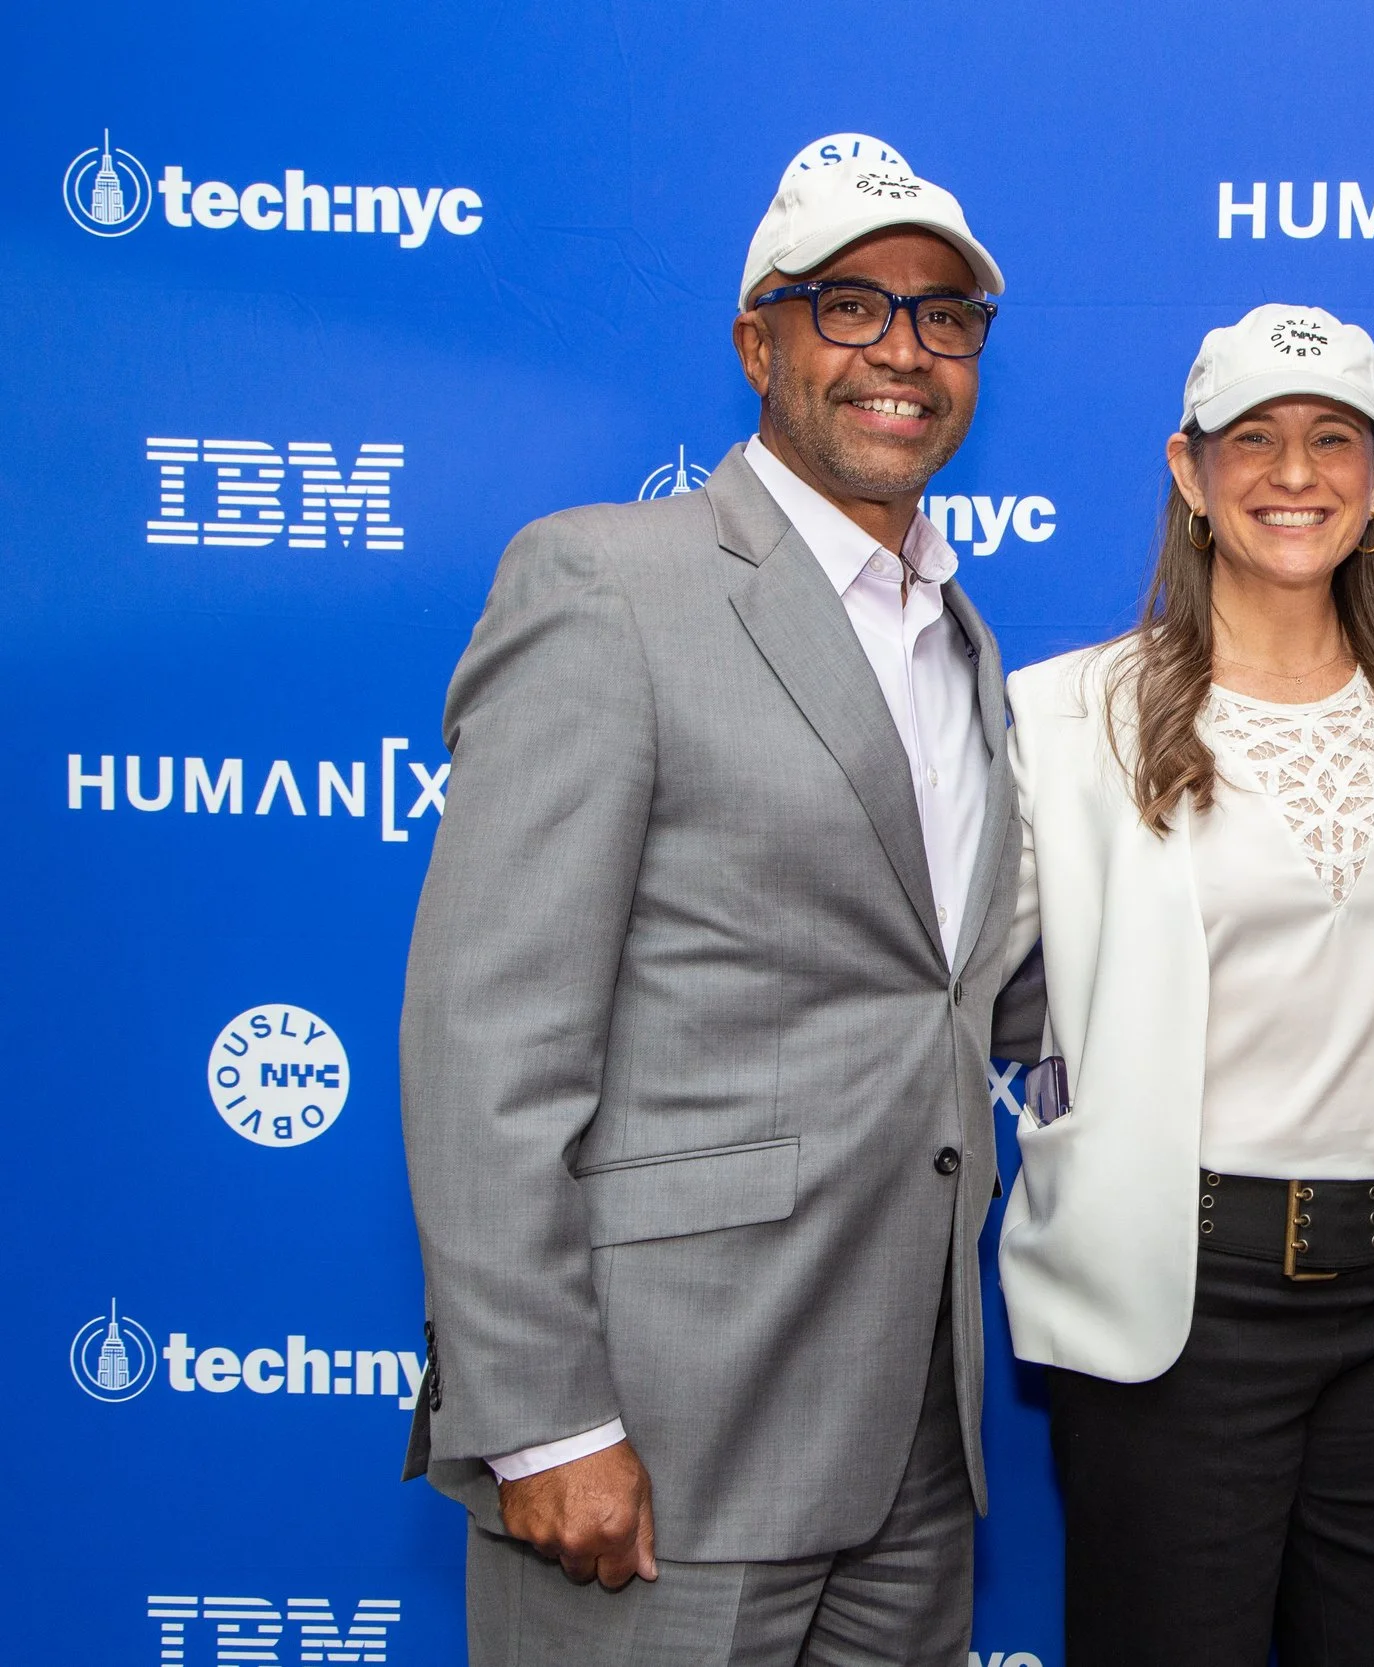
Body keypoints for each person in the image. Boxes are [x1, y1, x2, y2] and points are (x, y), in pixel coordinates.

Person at [399, 133, 1035, 1667]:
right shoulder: (607, 584)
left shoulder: (964, 637)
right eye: (851, 306)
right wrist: (544, 1417)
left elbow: (954, 988)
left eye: (943, 316)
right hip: (666, 1434)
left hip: (914, 1441)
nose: (903, 350)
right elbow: (488, 1031)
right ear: (758, 341)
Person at [997, 305, 1374, 1667]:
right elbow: (975, 990)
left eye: (1334, 439)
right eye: (1253, 439)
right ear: (1187, 470)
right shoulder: (1067, 718)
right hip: (1176, 1307)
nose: (1294, 473)